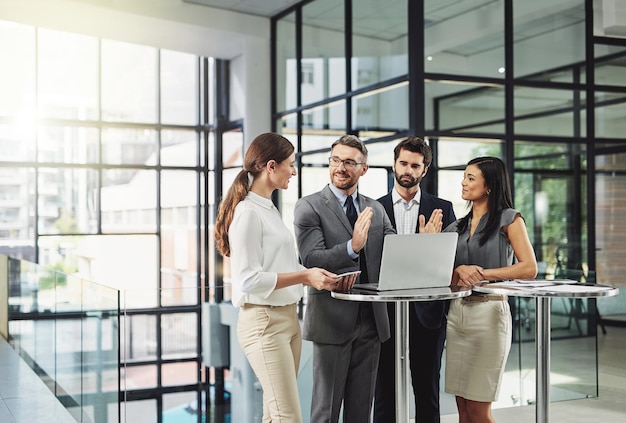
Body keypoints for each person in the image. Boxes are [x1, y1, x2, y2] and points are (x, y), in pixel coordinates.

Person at [214, 132, 341, 423]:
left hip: (286, 319)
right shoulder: (247, 213)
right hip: (264, 323)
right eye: (290, 164)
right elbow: (248, 280)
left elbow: (278, 262)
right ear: (271, 166)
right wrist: (304, 276)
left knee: (274, 415)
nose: (294, 171)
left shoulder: (268, 208)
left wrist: (313, 274)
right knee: (289, 417)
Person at [293, 134, 395, 423]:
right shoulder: (308, 206)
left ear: (364, 169)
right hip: (332, 321)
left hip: (372, 323)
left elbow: (393, 254)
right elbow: (311, 258)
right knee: (326, 412)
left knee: (361, 412)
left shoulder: (375, 208)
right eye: (336, 160)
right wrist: (353, 247)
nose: (341, 167)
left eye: (350, 162)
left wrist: (419, 243)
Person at [443, 156, 538, 423]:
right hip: (456, 314)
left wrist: (482, 273)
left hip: (489, 315)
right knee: (461, 407)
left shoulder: (510, 219)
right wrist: (458, 270)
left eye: (471, 178)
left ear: (489, 186)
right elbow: (442, 274)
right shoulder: (457, 226)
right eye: (464, 176)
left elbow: (528, 268)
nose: (463, 182)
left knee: (478, 410)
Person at [374, 137, 457, 423]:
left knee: (427, 391)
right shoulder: (374, 208)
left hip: (428, 313)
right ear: (394, 164)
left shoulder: (442, 209)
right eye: (403, 163)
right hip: (385, 313)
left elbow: (447, 264)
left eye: (415, 165)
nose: (408, 170)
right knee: (384, 392)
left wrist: (430, 245)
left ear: (425, 170)